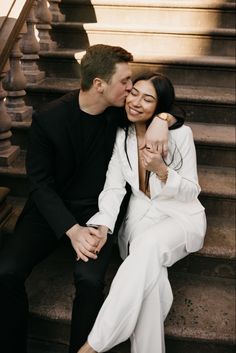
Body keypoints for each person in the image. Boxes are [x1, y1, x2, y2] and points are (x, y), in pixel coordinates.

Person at [0, 45, 181, 353]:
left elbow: (171, 107)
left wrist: (164, 118)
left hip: (99, 214)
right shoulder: (49, 119)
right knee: (6, 272)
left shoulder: (120, 113)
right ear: (99, 84)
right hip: (50, 211)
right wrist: (71, 230)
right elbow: (40, 185)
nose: (131, 89)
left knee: (89, 281)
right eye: (125, 81)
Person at [78, 72, 207, 353]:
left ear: (160, 107)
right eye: (134, 93)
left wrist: (162, 171)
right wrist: (104, 226)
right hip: (139, 221)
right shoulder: (121, 134)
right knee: (152, 285)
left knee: (147, 247)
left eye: (148, 99)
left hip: (179, 218)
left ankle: (92, 345)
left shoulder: (180, 134)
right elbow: (113, 188)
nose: (136, 102)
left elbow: (191, 191)